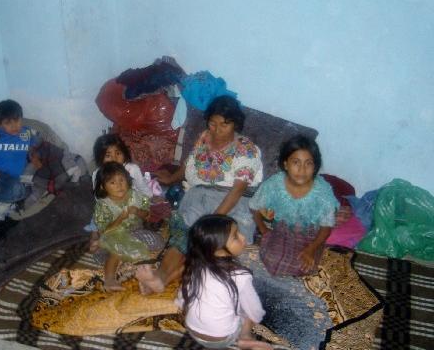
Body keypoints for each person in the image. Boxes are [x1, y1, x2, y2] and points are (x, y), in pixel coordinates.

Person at [137, 95, 263, 294]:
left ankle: (164, 280)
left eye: (224, 125)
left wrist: (213, 221)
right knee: (184, 235)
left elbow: (237, 190)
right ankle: (160, 275)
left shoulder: (247, 149)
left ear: (235, 124)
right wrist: (172, 178)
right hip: (200, 196)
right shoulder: (205, 136)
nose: (217, 130)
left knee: (209, 244)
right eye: (212, 124)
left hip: (233, 202)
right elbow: (189, 162)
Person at [176, 215, 270, 350]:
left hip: (193, 330)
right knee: (249, 311)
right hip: (222, 339)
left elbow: (182, 297)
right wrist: (257, 317)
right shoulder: (240, 275)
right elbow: (254, 309)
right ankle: (245, 336)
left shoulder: (196, 265)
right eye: (235, 236)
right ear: (218, 249)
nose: (243, 237)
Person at [250, 135, 338, 276]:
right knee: (272, 260)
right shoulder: (274, 184)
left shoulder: (323, 192)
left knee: (309, 267)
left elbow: (326, 227)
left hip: (312, 236)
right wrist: (263, 230)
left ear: (315, 166)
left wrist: (311, 249)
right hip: (283, 230)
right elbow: (254, 206)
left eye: (308, 163)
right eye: (296, 162)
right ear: (285, 164)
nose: (302, 170)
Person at [93, 162, 161, 292]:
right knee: (117, 249)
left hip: (135, 232)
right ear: (102, 187)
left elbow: (146, 215)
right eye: (112, 183)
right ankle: (109, 280)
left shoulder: (135, 196)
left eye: (121, 180)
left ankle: (128, 257)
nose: (119, 185)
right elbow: (104, 230)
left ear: (127, 180)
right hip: (113, 235)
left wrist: (137, 212)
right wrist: (120, 218)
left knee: (158, 241)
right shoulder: (103, 205)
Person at [86, 133, 152, 252]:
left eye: (118, 153)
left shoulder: (132, 169)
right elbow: (98, 198)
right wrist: (107, 207)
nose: (114, 159)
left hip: (131, 203)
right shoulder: (97, 174)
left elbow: (142, 188)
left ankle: (123, 238)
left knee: (136, 223)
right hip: (110, 205)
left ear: (124, 154)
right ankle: (95, 234)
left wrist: (149, 198)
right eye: (108, 155)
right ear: (100, 159)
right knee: (97, 217)